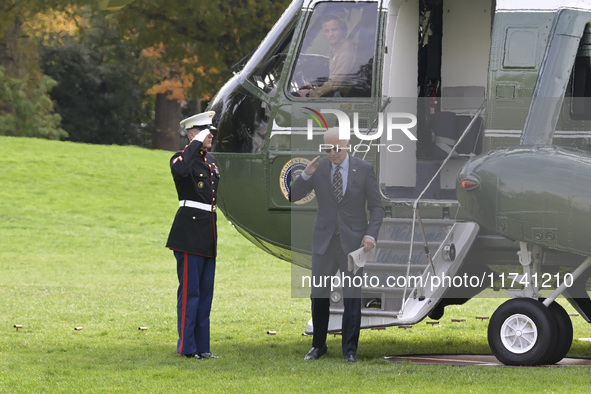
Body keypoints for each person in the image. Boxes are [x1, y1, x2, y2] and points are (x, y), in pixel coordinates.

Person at [290, 129, 384, 363]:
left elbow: (377, 207)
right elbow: (293, 196)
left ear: (347, 145)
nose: (332, 153)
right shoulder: (318, 168)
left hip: (353, 244)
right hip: (324, 243)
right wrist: (305, 175)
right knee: (318, 295)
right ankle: (318, 345)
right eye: (327, 149)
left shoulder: (363, 169)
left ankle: (349, 350)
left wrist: (370, 235)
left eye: (336, 148)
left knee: (352, 297)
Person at [166, 111, 221, 360]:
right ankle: (187, 347)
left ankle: (202, 346)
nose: (211, 135)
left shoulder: (210, 161)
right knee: (190, 293)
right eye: (204, 131)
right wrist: (195, 143)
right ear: (192, 133)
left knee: (205, 293)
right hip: (189, 233)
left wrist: (201, 144)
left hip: (208, 233)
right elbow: (181, 172)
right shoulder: (181, 158)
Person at [297, 14, 357, 98]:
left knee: (294, 96)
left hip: (341, 97)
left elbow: (334, 84)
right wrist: (315, 89)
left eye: (334, 29)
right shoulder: (335, 48)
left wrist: (311, 94)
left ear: (341, 30)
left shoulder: (346, 51)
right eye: (327, 31)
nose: (331, 34)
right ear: (322, 32)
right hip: (335, 93)